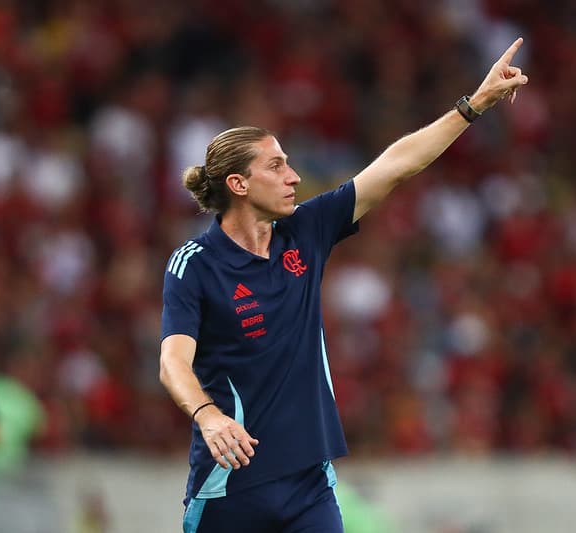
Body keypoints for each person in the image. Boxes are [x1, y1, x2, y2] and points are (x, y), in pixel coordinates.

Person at [160, 38, 529, 533]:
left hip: (310, 486)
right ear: (238, 185)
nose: (293, 176)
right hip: (230, 488)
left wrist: (474, 105)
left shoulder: (306, 230)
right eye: (275, 166)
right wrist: (207, 415)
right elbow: (172, 362)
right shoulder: (196, 265)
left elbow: (396, 165)